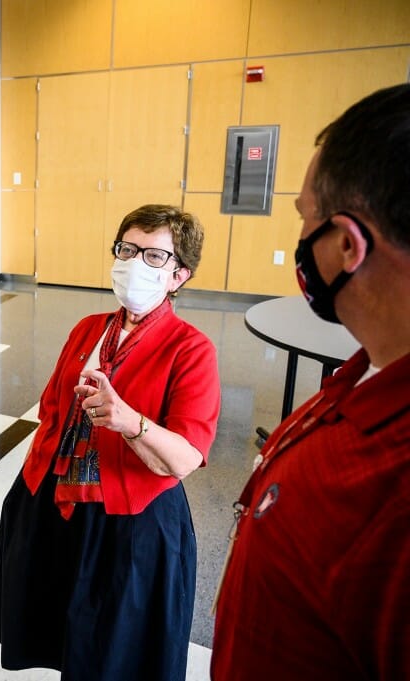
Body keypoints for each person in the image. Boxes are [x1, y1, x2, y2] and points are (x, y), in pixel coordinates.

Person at [211, 85, 410, 680]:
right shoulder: (364, 374)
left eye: (305, 218)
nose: (300, 239)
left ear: (348, 244)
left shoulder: (391, 499)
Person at [0, 204, 221, 681]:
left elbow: (185, 457)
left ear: (179, 275)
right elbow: (53, 411)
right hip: (56, 506)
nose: (135, 262)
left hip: (129, 523)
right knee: (64, 631)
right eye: (128, 248)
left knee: (113, 649)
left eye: (154, 256)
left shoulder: (191, 349)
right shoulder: (90, 328)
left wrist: (129, 421)